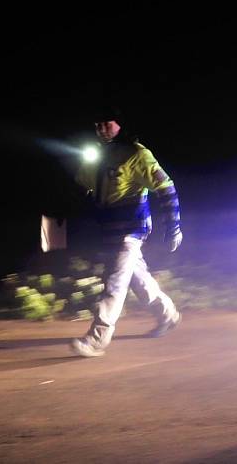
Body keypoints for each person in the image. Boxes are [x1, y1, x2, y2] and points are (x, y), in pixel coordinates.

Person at [70, 107, 183, 358]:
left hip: (131, 230)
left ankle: (98, 338)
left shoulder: (138, 154)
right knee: (137, 279)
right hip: (109, 230)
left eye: (106, 124)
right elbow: (82, 186)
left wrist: (173, 226)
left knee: (114, 280)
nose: (101, 130)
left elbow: (166, 188)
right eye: (97, 124)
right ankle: (167, 314)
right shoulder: (98, 155)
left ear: (121, 124)